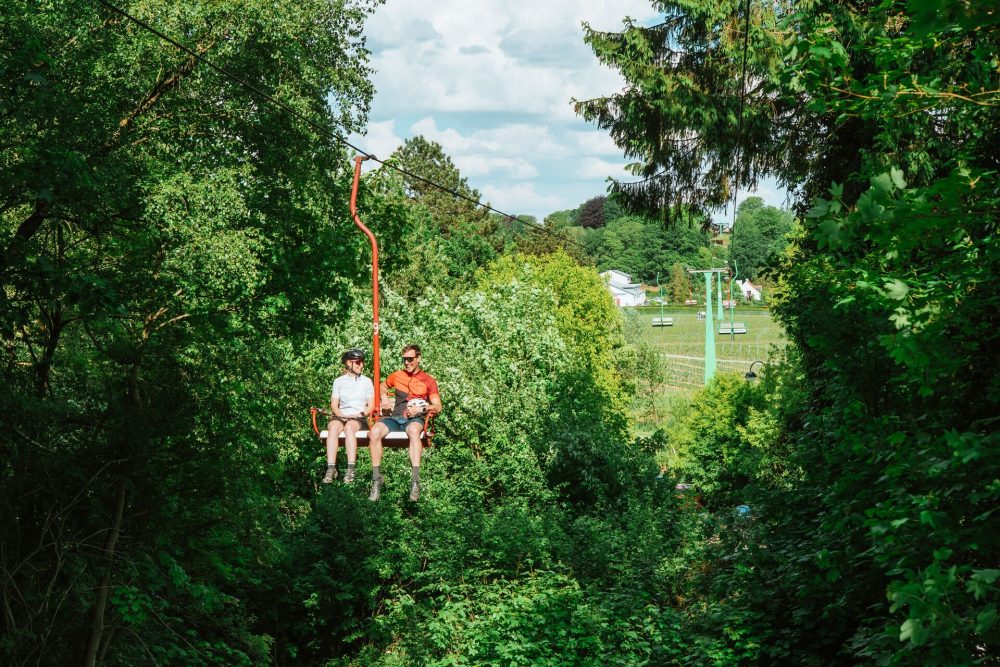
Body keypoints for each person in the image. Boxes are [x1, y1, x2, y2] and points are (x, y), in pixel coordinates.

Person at [368, 344, 441, 501]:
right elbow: (381, 386)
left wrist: (419, 410)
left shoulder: (428, 381)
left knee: (415, 431)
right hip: (394, 418)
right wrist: (385, 396)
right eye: (404, 360)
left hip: (414, 419)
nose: (407, 363)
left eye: (410, 359)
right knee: (374, 431)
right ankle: (376, 479)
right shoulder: (397, 375)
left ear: (418, 358)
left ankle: (415, 480)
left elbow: (437, 406)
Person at [323, 348, 374, 484]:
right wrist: (341, 415)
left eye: (362, 362)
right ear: (348, 364)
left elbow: (371, 405)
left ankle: (351, 468)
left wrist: (360, 414)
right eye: (358, 362)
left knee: (350, 428)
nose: (361, 365)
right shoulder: (338, 382)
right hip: (342, 416)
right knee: (333, 427)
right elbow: (334, 405)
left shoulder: (366, 381)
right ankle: (331, 467)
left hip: (359, 418)